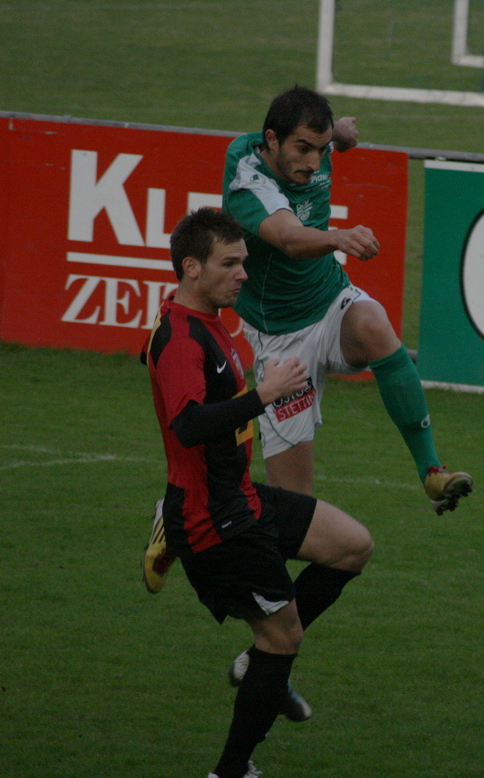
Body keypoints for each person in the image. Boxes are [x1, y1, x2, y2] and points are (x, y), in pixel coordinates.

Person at [144, 208, 373, 778]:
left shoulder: (206, 321)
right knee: (284, 637)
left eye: (244, 261)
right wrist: (264, 396)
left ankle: (256, 658)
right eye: (231, 263)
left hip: (241, 497)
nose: (243, 274)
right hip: (214, 520)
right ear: (192, 269)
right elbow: (189, 424)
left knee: (352, 545)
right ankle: (231, 769)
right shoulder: (179, 337)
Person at [221, 84, 472, 509]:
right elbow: (289, 238)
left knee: (375, 325)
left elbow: (326, 135)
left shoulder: (312, 145)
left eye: (321, 149)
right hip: (281, 338)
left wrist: (339, 131)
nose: (313, 161)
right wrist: (339, 236)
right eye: (303, 148)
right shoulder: (248, 177)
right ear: (271, 141)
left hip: (331, 301)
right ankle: (186, 524)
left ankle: (431, 471)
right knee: (292, 507)